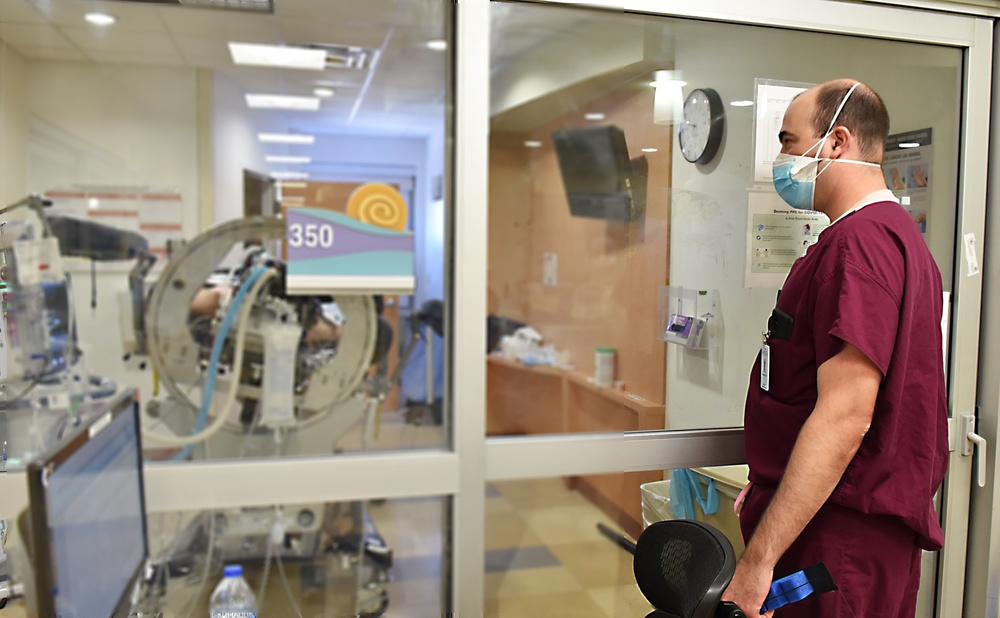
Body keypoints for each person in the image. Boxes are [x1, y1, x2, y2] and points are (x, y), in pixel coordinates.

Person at [723, 79, 948, 617]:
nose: (780, 158)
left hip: (836, 545)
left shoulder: (860, 246)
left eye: (787, 140)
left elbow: (845, 418)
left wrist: (758, 562)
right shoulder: (893, 238)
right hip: (843, 532)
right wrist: (771, 487)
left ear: (838, 142)